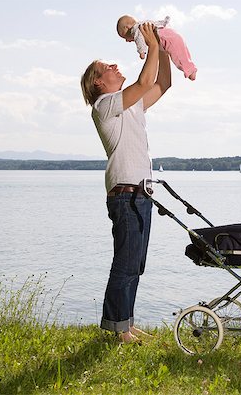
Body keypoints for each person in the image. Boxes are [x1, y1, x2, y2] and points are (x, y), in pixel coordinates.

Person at [80, 23, 171, 344]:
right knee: (125, 261)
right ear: (98, 82)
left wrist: (162, 45)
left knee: (136, 263)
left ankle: (125, 324)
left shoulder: (130, 105)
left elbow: (162, 82)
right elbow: (145, 79)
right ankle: (117, 328)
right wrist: (150, 45)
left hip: (140, 192)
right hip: (125, 192)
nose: (116, 66)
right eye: (108, 67)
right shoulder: (105, 106)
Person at [117, 14, 197, 80]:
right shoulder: (143, 24)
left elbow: (139, 40)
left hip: (168, 39)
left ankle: (191, 72)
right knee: (184, 54)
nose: (127, 41)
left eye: (124, 37)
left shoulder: (136, 29)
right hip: (170, 34)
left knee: (179, 57)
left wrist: (142, 52)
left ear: (127, 27)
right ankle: (191, 69)